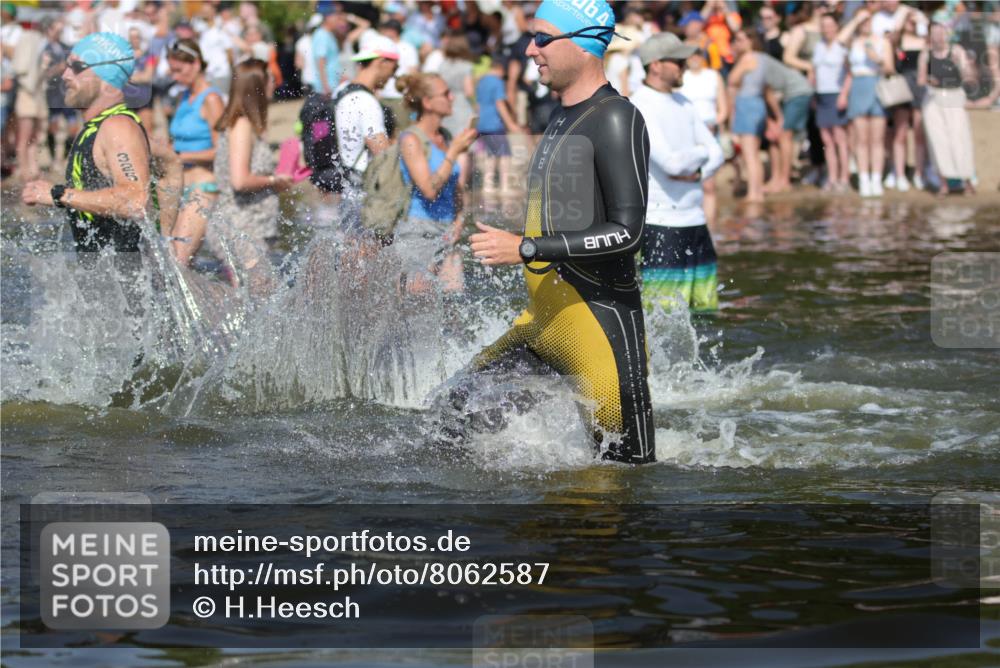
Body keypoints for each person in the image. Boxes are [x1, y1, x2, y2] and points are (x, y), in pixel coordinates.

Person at [468, 0, 655, 464]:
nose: (531, 49)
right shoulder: (559, 115)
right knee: (448, 418)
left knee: (622, 481)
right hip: (544, 323)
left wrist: (528, 248)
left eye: (544, 38)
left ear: (585, 43)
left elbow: (628, 232)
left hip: (599, 328)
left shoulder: (616, 117)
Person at [21, 32, 150, 254]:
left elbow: (135, 200)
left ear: (107, 78)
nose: (65, 75)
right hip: (104, 279)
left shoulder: (118, 127)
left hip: (123, 281)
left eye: (77, 67)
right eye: (66, 66)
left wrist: (59, 195)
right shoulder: (100, 127)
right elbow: (171, 161)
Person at [630, 33, 724, 314]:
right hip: (661, 224)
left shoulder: (684, 102)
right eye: (679, 61)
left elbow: (717, 152)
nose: (686, 65)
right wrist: (701, 153)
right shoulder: (639, 105)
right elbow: (671, 164)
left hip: (696, 220)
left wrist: (695, 171)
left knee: (707, 313)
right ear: (656, 65)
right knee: (663, 317)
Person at [207, 59, 292, 272]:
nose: (275, 84)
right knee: (254, 294)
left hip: (254, 225)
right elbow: (240, 180)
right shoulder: (242, 125)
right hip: (241, 225)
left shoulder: (251, 126)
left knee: (257, 296)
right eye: (270, 79)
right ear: (257, 86)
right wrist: (274, 181)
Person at [395, 73, 478, 292]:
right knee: (417, 307)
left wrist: (459, 220)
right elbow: (429, 190)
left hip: (448, 230)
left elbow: (456, 188)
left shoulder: (446, 136)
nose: (452, 98)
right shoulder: (410, 140)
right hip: (417, 232)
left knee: (454, 306)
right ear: (428, 102)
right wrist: (453, 152)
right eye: (446, 94)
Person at [166, 39, 225, 265]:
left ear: (196, 64)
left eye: (178, 71)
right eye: (171, 71)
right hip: (179, 187)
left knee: (179, 262)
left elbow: (222, 152)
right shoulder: (183, 97)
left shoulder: (211, 99)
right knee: (173, 260)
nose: (174, 77)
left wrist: (181, 157)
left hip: (204, 188)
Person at [334, 37, 399, 232]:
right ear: (382, 62)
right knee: (368, 253)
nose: (394, 76)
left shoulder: (341, 91)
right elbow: (382, 152)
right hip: (364, 190)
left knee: (349, 251)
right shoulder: (366, 101)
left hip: (346, 185)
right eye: (394, 69)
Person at [839, 8, 894, 197]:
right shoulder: (853, 41)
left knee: (876, 138)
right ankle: (863, 178)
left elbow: (890, 68)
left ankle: (876, 178)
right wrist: (855, 21)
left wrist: (876, 58)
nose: (866, 23)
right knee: (861, 139)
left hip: (876, 84)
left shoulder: (882, 41)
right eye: (862, 21)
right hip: (858, 85)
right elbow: (840, 40)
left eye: (868, 20)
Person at [918, 22, 976, 196]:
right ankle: (944, 183)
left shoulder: (957, 50)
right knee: (938, 141)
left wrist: (962, 65)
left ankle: (967, 181)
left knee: (960, 138)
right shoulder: (925, 54)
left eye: (941, 32)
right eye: (934, 33)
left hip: (954, 97)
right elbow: (920, 80)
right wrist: (929, 80)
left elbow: (969, 78)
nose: (938, 36)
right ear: (929, 36)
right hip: (934, 99)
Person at [678, 46, 727, 227]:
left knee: (708, 184)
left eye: (697, 55)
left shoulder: (713, 76)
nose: (694, 59)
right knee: (686, 180)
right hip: (686, 132)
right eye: (690, 56)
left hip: (709, 130)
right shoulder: (682, 78)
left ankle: (710, 227)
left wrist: (713, 124)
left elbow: (723, 109)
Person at [760, 53, 814, 193]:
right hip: (784, 97)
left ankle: (784, 180)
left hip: (798, 93)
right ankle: (775, 179)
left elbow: (768, 94)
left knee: (784, 135)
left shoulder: (758, 62)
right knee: (774, 138)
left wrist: (779, 118)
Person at [728, 28, 768, 203]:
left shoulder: (748, 58)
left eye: (741, 40)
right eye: (736, 40)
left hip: (747, 105)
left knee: (749, 153)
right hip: (756, 104)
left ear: (751, 41)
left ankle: (754, 193)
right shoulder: (760, 58)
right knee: (754, 153)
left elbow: (732, 80)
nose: (737, 44)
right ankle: (757, 192)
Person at [812, 13, 851, 192]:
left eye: (830, 25)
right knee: (826, 140)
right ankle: (832, 177)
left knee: (840, 138)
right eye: (824, 25)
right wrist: (812, 93)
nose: (826, 29)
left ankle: (844, 178)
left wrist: (844, 94)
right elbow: (813, 72)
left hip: (836, 94)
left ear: (836, 27)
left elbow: (850, 73)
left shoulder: (841, 47)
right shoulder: (818, 46)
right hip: (821, 95)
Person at [475, 54, 523, 197]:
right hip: (494, 123)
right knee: (505, 154)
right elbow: (500, 103)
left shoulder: (481, 81)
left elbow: (478, 104)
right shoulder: (497, 82)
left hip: (482, 123)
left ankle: (487, 185)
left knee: (490, 155)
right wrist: (511, 124)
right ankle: (505, 186)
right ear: (500, 69)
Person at [40, 16, 80, 168]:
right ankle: (53, 158)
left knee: (73, 128)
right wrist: (59, 68)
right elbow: (44, 73)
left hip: (67, 93)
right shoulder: (44, 49)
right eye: (57, 30)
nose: (59, 33)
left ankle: (63, 157)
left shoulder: (65, 47)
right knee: (53, 126)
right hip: (53, 94)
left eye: (60, 30)